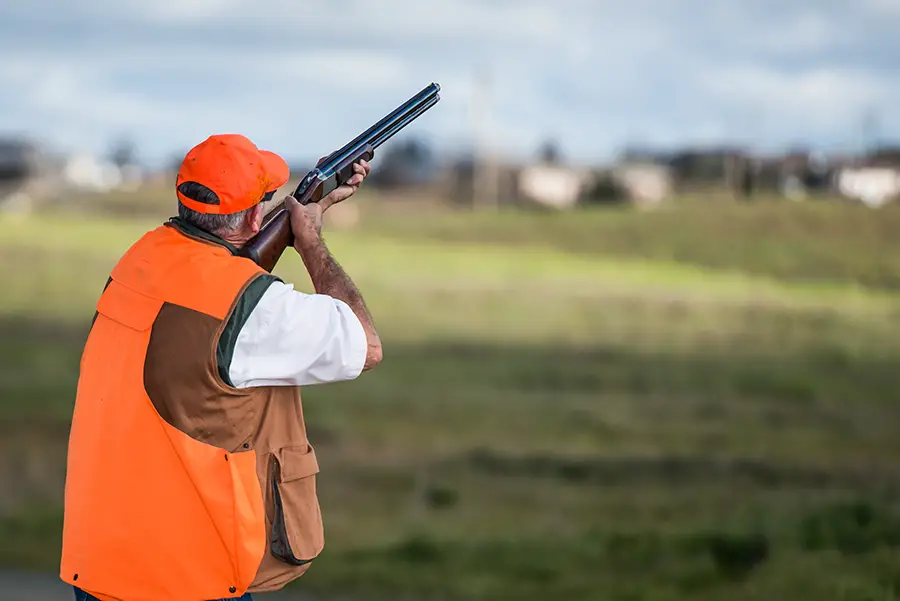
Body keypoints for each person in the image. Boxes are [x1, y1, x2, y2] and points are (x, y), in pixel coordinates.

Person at [60, 133, 382, 601]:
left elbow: (212, 271)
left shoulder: (141, 259)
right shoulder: (247, 306)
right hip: (188, 577)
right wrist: (309, 238)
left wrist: (303, 214)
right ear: (255, 216)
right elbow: (366, 344)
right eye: (267, 201)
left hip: (102, 563)